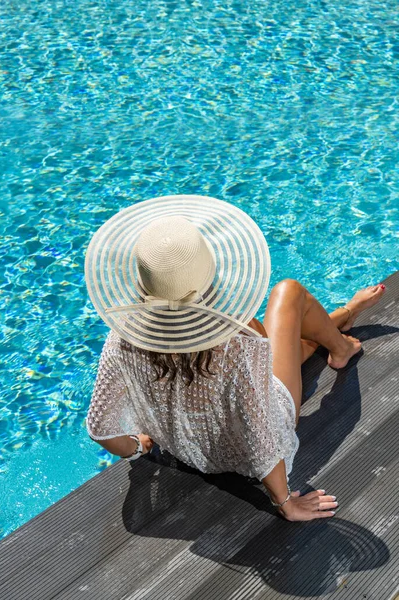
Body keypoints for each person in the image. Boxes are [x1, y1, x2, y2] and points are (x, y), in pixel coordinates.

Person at [84, 194, 386, 523]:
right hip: (241, 455)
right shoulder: (232, 350)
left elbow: (100, 428)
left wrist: (138, 447)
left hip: (188, 450)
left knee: (260, 332)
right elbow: (263, 440)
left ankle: (342, 317)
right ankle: (341, 346)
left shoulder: (121, 340)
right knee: (288, 293)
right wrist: (286, 503)